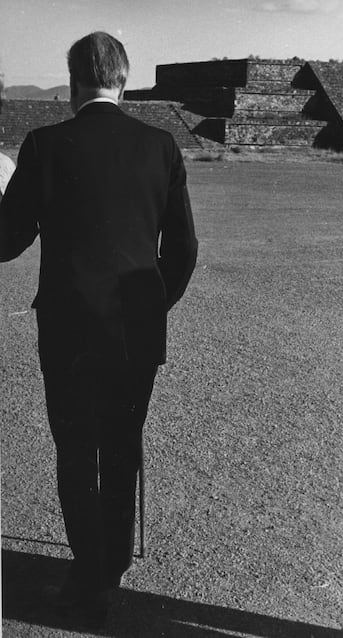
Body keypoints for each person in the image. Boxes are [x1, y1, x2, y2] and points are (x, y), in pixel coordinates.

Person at [0, 31, 197, 622]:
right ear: (123, 77)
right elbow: (183, 250)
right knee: (121, 444)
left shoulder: (44, 145)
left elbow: (7, 241)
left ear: (72, 81)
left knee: (75, 450)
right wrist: (153, 305)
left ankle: (89, 575)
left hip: (68, 328)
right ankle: (111, 564)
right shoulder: (161, 145)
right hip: (136, 329)